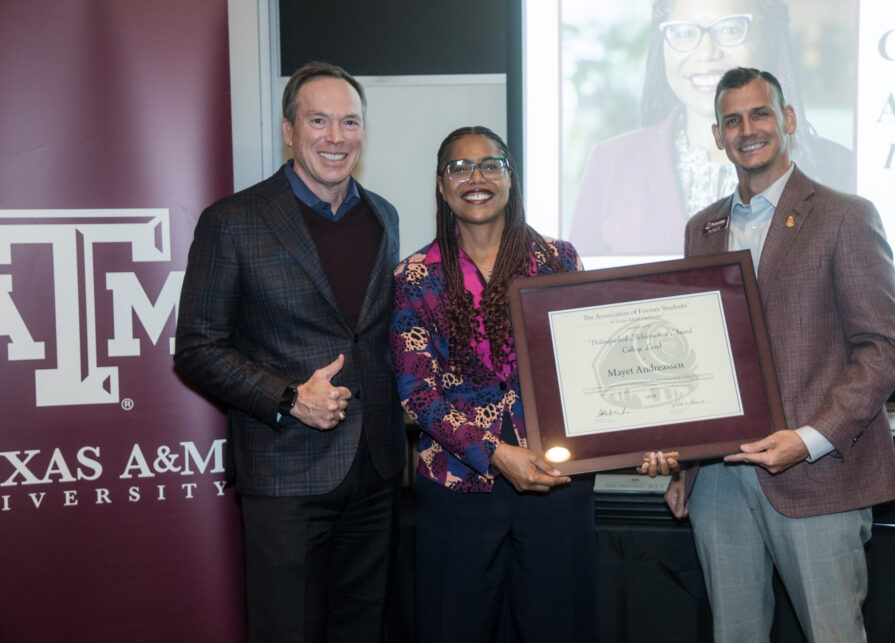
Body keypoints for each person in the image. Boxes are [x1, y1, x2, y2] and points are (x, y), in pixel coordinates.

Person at [642, 67, 895, 642]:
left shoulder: (845, 216)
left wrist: (809, 439)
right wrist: (686, 461)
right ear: (717, 136)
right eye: (732, 120)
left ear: (786, 120)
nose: (748, 129)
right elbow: (692, 356)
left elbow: (884, 349)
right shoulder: (702, 228)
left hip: (820, 473)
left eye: (760, 113)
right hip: (719, 481)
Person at [174, 61, 405, 642]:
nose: (336, 137)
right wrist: (288, 398)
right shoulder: (232, 221)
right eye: (319, 120)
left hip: (376, 470)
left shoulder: (384, 215)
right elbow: (197, 347)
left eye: (349, 121)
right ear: (288, 129)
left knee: (365, 630)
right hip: (285, 472)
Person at [390, 126, 598, 643]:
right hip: (458, 493)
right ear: (442, 187)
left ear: (511, 177)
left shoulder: (558, 260)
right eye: (459, 168)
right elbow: (417, 393)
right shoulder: (415, 277)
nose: (475, 178)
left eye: (490, 165)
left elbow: (588, 364)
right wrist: (494, 452)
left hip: (556, 484)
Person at [570, 0, 853, 257]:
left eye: (730, 30)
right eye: (683, 33)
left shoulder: (837, 166)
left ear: (768, 36)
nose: (706, 53)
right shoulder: (610, 163)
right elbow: (577, 301)